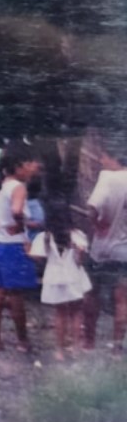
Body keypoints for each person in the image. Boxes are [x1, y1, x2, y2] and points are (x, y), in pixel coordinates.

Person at [0, 144, 41, 352]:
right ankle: (22, 341)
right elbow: (17, 210)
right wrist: (21, 224)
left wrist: (6, 221)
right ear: (19, 166)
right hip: (14, 246)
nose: (32, 168)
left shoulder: (2, 185)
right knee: (16, 295)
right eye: (29, 164)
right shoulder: (19, 187)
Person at [29, 204, 92, 361]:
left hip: (55, 275)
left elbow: (37, 257)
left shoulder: (45, 237)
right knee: (76, 313)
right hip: (74, 275)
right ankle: (76, 347)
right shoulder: (78, 235)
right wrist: (79, 253)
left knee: (60, 313)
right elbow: (79, 261)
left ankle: (60, 350)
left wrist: (27, 249)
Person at [84, 149, 127, 353]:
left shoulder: (107, 177)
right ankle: (117, 346)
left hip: (101, 249)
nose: (101, 161)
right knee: (122, 300)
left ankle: (89, 343)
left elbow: (92, 207)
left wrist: (97, 223)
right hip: (124, 250)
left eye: (103, 157)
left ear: (113, 157)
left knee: (92, 294)